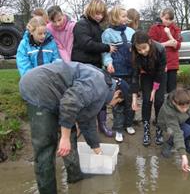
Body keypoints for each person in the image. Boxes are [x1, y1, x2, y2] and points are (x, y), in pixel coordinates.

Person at [19, 61, 129, 194]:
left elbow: (87, 120)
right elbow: (69, 103)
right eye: (117, 102)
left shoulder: (103, 87)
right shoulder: (98, 84)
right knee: (46, 146)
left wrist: (97, 149)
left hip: (58, 94)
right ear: (117, 93)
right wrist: (64, 138)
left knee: (71, 133)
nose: (113, 105)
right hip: (39, 88)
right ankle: (47, 190)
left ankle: (75, 177)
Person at [71, 0, 116, 137]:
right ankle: (79, 126)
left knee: (99, 95)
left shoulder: (98, 27)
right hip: (83, 66)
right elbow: (86, 44)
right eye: (97, 13)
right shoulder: (81, 24)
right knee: (82, 97)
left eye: (102, 14)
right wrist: (107, 47)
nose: (99, 16)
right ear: (90, 10)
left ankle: (101, 124)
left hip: (95, 65)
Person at [102, 5, 136, 142]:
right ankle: (118, 128)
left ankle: (129, 124)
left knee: (131, 100)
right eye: (123, 16)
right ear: (115, 17)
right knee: (119, 101)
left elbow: (136, 49)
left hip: (131, 71)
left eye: (126, 16)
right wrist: (108, 63)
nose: (126, 18)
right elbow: (105, 52)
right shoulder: (107, 33)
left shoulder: (131, 31)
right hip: (117, 72)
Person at [158, 88, 190, 171]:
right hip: (168, 125)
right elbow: (177, 132)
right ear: (174, 103)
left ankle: (187, 141)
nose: (185, 109)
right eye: (182, 108)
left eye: (187, 107)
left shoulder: (186, 100)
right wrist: (183, 156)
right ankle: (169, 144)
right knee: (187, 129)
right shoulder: (169, 111)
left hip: (181, 118)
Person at [131, 31, 166, 146]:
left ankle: (159, 128)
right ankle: (146, 130)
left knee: (159, 100)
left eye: (144, 48)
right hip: (146, 75)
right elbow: (135, 76)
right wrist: (134, 98)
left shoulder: (160, 49)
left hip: (159, 75)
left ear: (149, 42)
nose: (142, 52)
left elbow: (161, 71)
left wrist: (155, 89)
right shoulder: (135, 53)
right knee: (147, 100)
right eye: (139, 50)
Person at [148, 7, 181, 93]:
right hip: (159, 64)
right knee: (160, 90)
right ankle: (160, 106)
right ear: (161, 17)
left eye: (170, 19)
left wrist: (169, 34)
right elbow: (151, 45)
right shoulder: (154, 28)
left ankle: (171, 106)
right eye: (166, 19)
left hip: (172, 64)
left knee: (172, 90)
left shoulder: (176, 29)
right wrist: (166, 44)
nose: (168, 21)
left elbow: (177, 45)